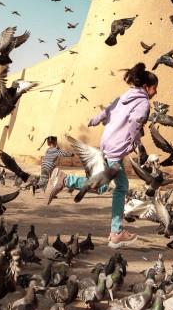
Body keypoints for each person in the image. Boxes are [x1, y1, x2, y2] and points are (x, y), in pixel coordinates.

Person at [44, 62, 158, 249]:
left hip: (107, 143)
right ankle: (66, 181)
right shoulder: (144, 102)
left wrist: (95, 120)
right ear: (146, 87)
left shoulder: (125, 96)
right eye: (154, 89)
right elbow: (136, 121)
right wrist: (135, 141)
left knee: (104, 187)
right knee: (121, 187)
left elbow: (108, 110)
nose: (155, 93)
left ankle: (115, 231)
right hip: (117, 148)